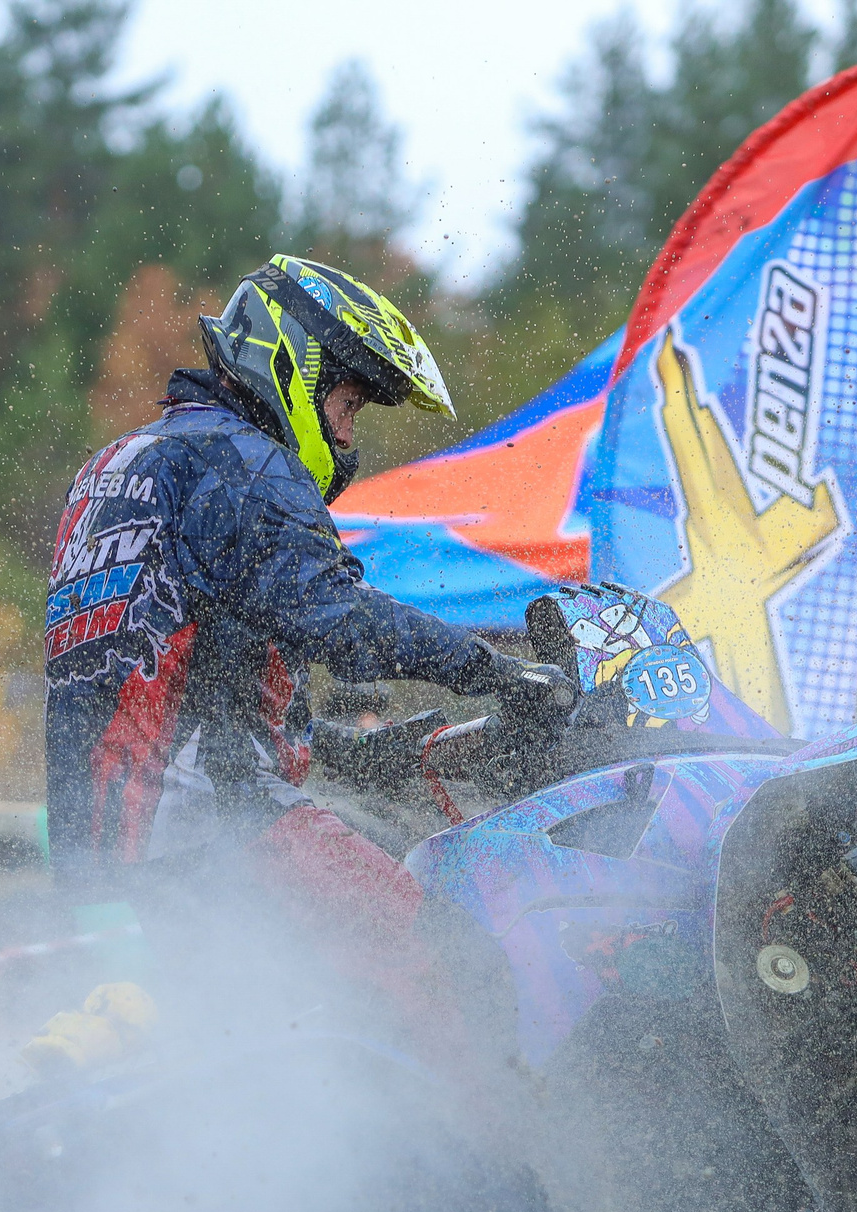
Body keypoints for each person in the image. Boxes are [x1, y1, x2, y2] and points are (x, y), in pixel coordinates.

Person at [41, 254, 568, 1048]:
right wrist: (498, 672)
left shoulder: (122, 465)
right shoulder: (241, 463)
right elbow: (339, 620)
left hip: (103, 859)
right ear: (291, 360)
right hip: (221, 832)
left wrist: (352, 754)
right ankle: (500, 1171)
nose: (349, 435)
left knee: (252, 1060)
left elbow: (183, 677)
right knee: (454, 963)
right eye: (347, 402)